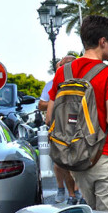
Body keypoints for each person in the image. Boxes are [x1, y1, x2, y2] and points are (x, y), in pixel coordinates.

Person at [48, 16, 108, 212]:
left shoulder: (63, 72)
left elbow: (49, 118)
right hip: (106, 155)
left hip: (78, 158)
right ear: (102, 41)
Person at [42, 53, 81, 204]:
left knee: (66, 163)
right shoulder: (58, 85)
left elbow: (48, 116)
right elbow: (46, 112)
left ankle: (74, 194)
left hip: (64, 129)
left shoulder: (60, 85)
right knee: (66, 163)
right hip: (69, 129)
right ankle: (73, 193)